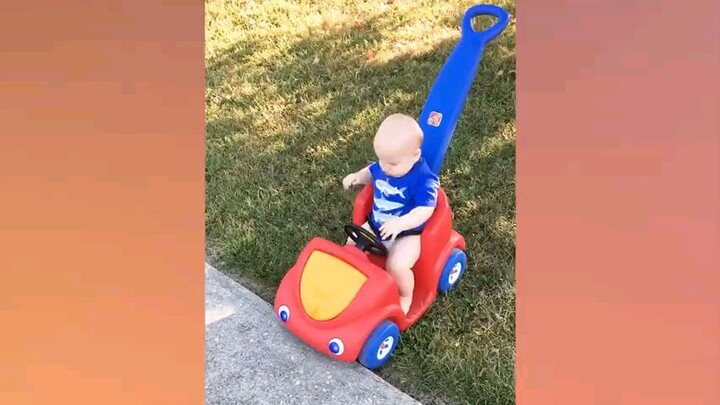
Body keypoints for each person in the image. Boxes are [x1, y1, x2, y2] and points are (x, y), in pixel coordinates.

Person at [342, 113, 440, 314]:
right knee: (349, 247)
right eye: (381, 160)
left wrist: (401, 224)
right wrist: (357, 177)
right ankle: (348, 286)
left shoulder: (424, 180)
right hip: (376, 224)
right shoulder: (385, 165)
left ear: (415, 156)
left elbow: (425, 210)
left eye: (392, 164)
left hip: (406, 233)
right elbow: (371, 171)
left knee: (396, 265)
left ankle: (405, 296)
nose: (384, 168)